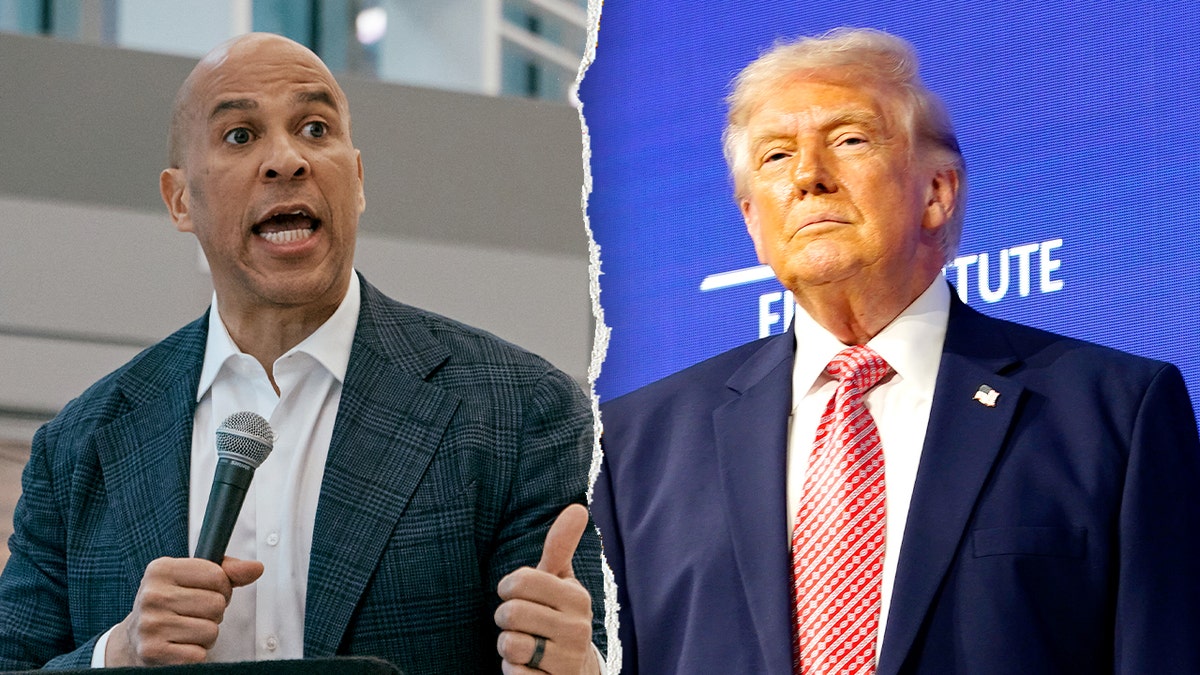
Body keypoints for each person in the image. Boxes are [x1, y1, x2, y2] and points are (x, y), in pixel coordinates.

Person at [591, 27, 1200, 674]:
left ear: (937, 192)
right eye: (774, 157)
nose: (807, 177)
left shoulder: (1113, 412)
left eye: (849, 140)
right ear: (753, 223)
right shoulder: (635, 444)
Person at [0, 33, 604, 675]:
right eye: (240, 135)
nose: (286, 159)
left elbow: (586, 643)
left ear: (359, 179)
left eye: (315, 128)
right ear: (180, 200)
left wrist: (581, 665)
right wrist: (115, 654)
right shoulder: (80, 446)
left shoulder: (520, 411)